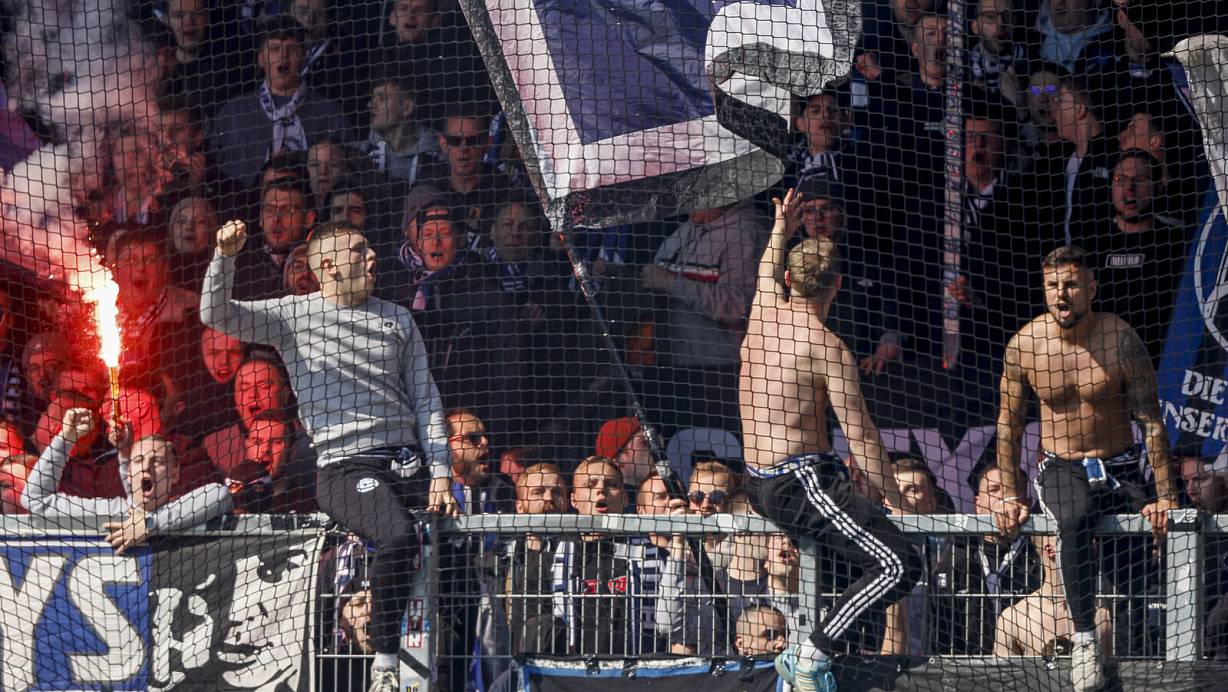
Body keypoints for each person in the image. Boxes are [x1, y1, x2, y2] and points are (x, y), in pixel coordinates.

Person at [202, 218, 456, 692]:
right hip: (346, 467)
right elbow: (217, 316)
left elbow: (426, 399)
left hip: (410, 462)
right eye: (358, 251)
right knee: (398, 538)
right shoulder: (293, 315)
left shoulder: (397, 318)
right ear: (328, 267)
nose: (373, 256)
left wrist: (441, 471)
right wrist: (225, 255)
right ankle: (383, 663)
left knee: (450, 572)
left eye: (369, 248)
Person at [739, 188, 921, 691]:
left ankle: (827, 654)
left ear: (790, 280)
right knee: (899, 563)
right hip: (798, 482)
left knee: (852, 564)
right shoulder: (828, 346)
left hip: (760, 480)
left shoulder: (762, 316)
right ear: (838, 285)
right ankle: (811, 654)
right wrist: (892, 494)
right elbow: (860, 434)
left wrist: (780, 226)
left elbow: (763, 273)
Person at [994, 245, 1178, 691]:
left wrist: (1165, 494)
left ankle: (1160, 656)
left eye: (1071, 284)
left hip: (1119, 465)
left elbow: (1151, 423)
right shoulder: (1025, 345)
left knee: (1141, 558)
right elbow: (1009, 427)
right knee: (1073, 519)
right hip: (1062, 466)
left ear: (1091, 288)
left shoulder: (1120, 339)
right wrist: (1009, 494)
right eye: (1053, 285)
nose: (1062, 294)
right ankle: (1083, 641)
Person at [22, 408, 232, 553]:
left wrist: (151, 524)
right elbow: (35, 499)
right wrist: (65, 438)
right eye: (139, 460)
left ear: (175, 474)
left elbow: (220, 494)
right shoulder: (110, 511)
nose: (147, 466)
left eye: (157, 461)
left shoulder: (186, 509)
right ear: (128, 472)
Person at [207, 15, 352, 187]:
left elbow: (348, 175)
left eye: (291, 49)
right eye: (275, 49)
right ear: (261, 58)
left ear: (304, 56)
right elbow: (214, 172)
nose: (283, 59)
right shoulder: (234, 113)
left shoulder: (330, 114)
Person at [993, 533, 1113, 658]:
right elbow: (1003, 675)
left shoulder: (1102, 614)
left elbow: (1111, 673)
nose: (1094, 543)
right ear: (1051, 550)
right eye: (1081, 537)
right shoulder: (1014, 618)